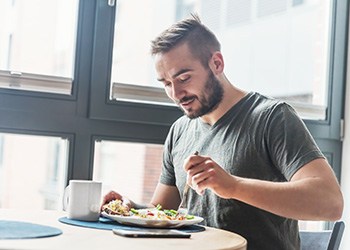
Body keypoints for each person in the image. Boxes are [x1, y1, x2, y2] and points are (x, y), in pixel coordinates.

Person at [102, 14, 343, 249]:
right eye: (166, 84)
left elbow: (330, 203)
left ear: (217, 63)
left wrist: (233, 186)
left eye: (184, 78)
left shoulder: (272, 117)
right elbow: (163, 212)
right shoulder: (180, 131)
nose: (175, 94)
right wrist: (129, 208)